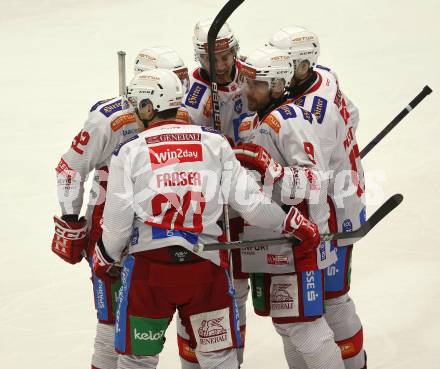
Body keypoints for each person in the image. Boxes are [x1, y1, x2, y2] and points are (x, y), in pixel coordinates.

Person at [91, 68, 322, 369]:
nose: (133, 112)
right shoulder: (215, 143)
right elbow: (252, 206)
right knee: (219, 359)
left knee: (137, 360)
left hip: (151, 274)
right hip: (205, 269)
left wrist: (104, 255)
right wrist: (290, 221)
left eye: (136, 105)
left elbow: (118, 225)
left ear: (150, 106)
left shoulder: (130, 151)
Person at [51, 47, 188, 369]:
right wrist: (72, 220)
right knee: (112, 325)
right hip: (110, 227)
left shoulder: (178, 113)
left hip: (163, 228)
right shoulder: (108, 118)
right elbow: (69, 169)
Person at [234, 46, 344, 369]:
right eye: (246, 81)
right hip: (276, 238)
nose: (246, 89)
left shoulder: (290, 120)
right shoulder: (256, 121)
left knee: (305, 327)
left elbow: (316, 181)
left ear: (278, 85)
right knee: (287, 325)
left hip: (301, 237)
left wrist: (275, 170)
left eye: (255, 84)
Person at [267, 26, 366, 369]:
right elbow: (352, 115)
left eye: (286, 66)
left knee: (331, 298)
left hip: (332, 213)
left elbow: (314, 179)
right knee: (311, 304)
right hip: (344, 196)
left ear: (304, 65)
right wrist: (343, 150)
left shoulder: (311, 111)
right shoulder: (325, 74)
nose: (277, 72)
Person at [176, 18, 251, 368]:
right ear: (200, 59)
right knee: (204, 292)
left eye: (226, 57)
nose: (222, 66)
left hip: (251, 196)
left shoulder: (250, 74)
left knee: (240, 289)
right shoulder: (194, 98)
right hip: (212, 206)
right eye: (212, 60)